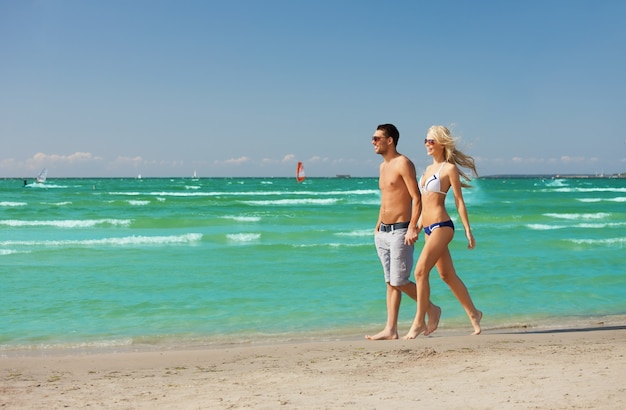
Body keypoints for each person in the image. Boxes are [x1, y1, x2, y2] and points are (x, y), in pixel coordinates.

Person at [404, 125, 482, 338]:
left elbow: (459, 201)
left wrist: (468, 230)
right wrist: (416, 228)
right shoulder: (427, 171)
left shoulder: (448, 169)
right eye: (425, 140)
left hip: (442, 226)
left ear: (441, 143)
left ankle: (419, 321)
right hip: (428, 228)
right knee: (447, 275)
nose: (427, 145)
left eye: (431, 141)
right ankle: (474, 313)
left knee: (420, 271)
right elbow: (424, 206)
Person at [366, 124, 441, 340]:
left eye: (377, 138)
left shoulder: (403, 163)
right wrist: (378, 225)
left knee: (399, 280)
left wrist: (411, 227)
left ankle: (432, 309)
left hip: (401, 231)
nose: (373, 142)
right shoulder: (382, 167)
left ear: (389, 140)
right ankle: (391, 329)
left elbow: (416, 197)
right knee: (390, 282)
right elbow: (386, 198)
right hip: (383, 231)